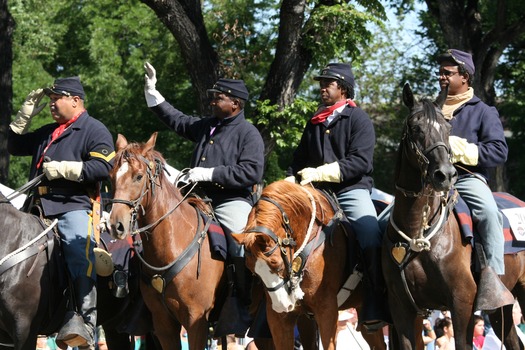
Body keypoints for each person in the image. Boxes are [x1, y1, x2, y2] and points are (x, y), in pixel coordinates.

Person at [143, 62, 265, 335]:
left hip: (230, 201)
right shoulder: (206, 126)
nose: (212, 101)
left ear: (235, 103)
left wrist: (210, 173)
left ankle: (241, 304)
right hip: (195, 199)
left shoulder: (248, 133)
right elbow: (176, 119)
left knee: (239, 245)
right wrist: (153, 93)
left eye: (218, 97)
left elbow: (252, 171)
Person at [8, 77, 115, 349]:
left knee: (79, 250)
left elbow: (104, 168)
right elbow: (14, 146)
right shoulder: (47, 131)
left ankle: (84, 320)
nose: (52, 103)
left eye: (57, 98)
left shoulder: (94, 129)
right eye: (51, 98)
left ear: (75, 101)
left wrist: (69, 169)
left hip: (72, 206)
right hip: (36, 207)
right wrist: (24, 117)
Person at [286, 62, 388, 331]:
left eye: (327, 83)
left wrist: (322, 172)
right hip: (315, 192)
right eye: (321, 83)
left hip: (350, 190)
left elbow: (360, 162)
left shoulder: (359, 119)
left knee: (369, 232)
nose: (322, 87)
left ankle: (375, 297)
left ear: (342, 88)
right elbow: (298, 160)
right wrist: (289, 179)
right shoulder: (316, 120)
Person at [437, 49, 514, 310]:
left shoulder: (483, 111)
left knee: (490, 213)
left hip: (466, 179)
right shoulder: (431, 108)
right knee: (386, 220)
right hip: (430, 182)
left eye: (448, 73)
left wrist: (464, 149)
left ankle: (493, 281)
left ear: (465, 77)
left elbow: (498, 151)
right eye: (440, 72)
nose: (441, 77)